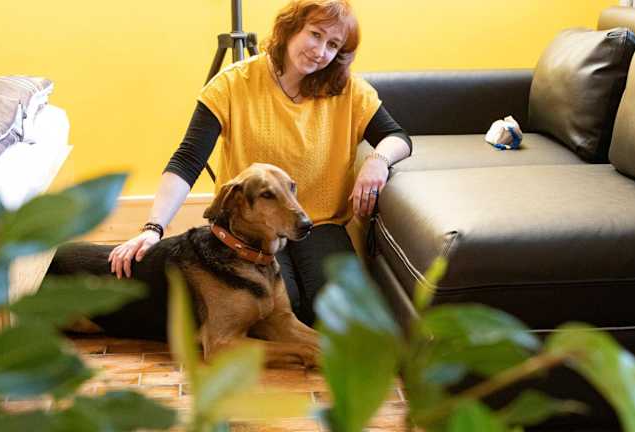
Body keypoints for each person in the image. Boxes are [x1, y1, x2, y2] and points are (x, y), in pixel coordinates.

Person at [109, 0, 411, 325]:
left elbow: (397, 136)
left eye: (333, 44)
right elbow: (188, 159)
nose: (320, 51)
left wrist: (378, 160)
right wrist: (153, 228)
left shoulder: (346, 89)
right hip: (251, 228)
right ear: (291, 27)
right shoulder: (233, 83)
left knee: (337, 312)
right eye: (315, 34)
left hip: (319, 223)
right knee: (274, 311)